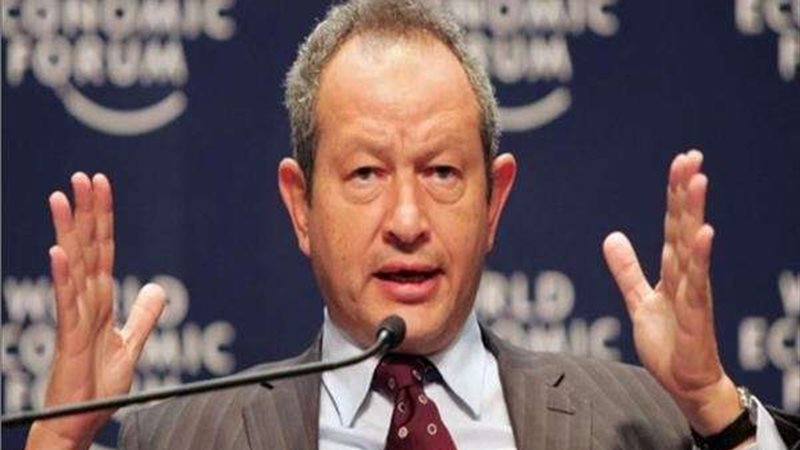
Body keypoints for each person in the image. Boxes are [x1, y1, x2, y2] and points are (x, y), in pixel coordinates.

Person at [23, 1, 800, 449]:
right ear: (300, 205)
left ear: (494, 202)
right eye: (365, 174)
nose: (406, 220)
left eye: (441, 173)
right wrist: (56, 440)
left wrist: (713, 406)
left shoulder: (640, 423)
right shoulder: (185, 438)